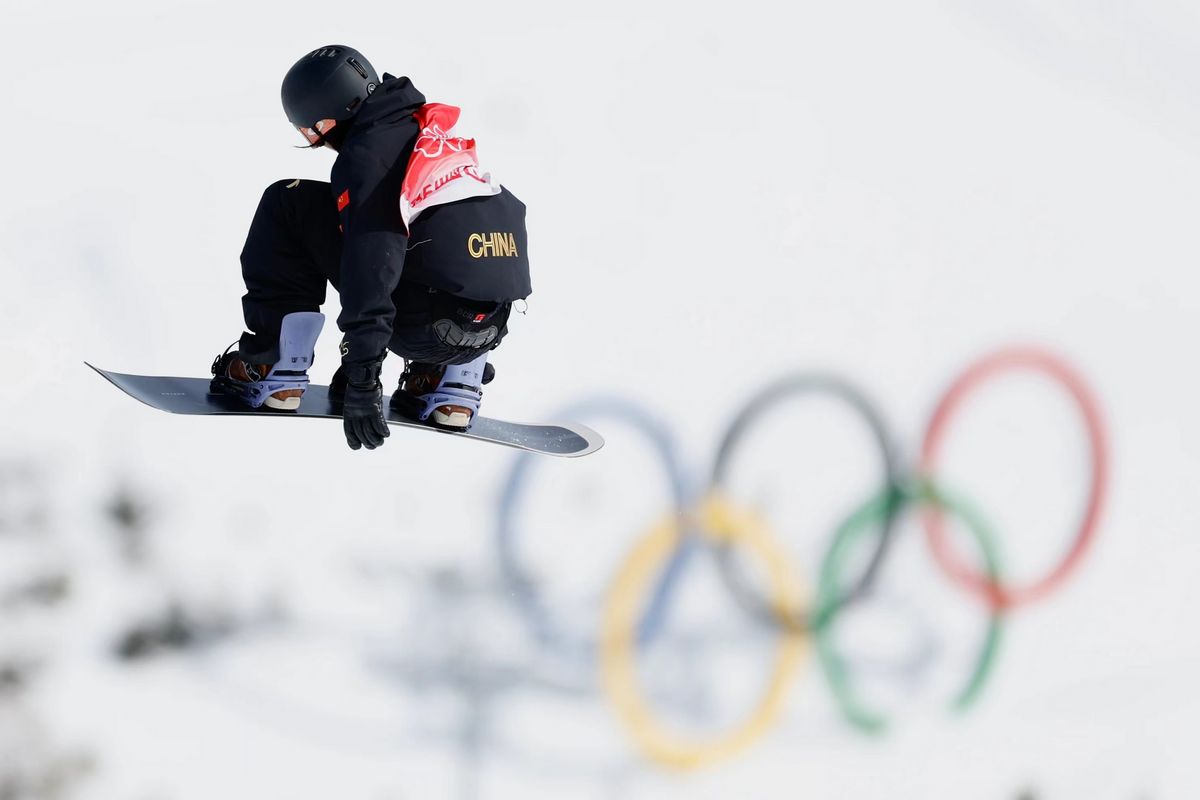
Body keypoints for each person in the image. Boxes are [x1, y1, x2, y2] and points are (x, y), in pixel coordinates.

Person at [210, 45, 532, 450]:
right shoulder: (426, 134)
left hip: (423, 325)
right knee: (430, 240)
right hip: (487, 330)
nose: (315, 142)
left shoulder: (368, 156)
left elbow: (373, 265)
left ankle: (274, 365)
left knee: (288, 203)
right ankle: (446, 381)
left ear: (326, 118)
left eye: (309, 132)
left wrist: (363, 374)